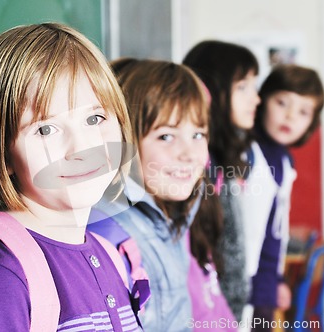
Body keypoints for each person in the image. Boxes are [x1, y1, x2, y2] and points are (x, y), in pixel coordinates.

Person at [0, 23, 143, 331]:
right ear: (3, 151)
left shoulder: (108, 254)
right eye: (46, 129)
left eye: (95, 119)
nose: (81, 149)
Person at [93, 59, 236, 331]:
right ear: (124, 140)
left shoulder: (167, 219)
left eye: (198, 134)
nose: (189, 153)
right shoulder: (107, 237)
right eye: (166, 137)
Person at [183, 40, 263, 323]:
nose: (256, 99)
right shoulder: (198, 164)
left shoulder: (225, 156)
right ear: (212, 92)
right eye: (243, 87)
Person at [249, 64, 324, 331]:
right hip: (243, 283)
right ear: (262, 101)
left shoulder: (284, 159)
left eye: (303, 112)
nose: (290, 116)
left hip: (267, 282)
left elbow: (275, 229)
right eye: (282, 103)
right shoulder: (247, 151)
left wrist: (278, 279)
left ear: (311, 123)